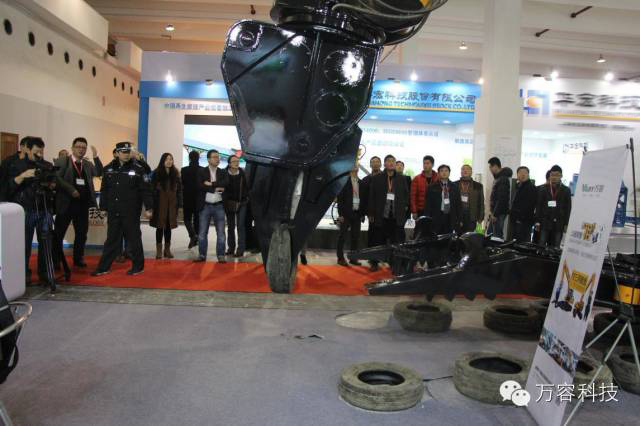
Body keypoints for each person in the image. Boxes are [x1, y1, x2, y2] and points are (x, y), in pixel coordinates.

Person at [6, 137, 74, 284]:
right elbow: (9, 186)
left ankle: (45, 274)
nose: (39, 155)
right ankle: (23, 275)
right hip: (25, 209)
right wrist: (23, 176)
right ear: (27, 150)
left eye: (42, 152)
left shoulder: (47, 165)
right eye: (36, 152)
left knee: (46, 244)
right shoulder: (16, 165)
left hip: (44, 208)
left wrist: (51, 184)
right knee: (24, 245)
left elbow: (54, 183)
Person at [91, 142, 153, 276]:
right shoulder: (108, 169)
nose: (126, 154)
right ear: (117, 153)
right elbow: (104, 190)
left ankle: (138, 266)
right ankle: (103, 267)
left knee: (134, 239)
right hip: (114, 210)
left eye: (128, 152)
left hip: (131, 211)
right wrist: (103, 208)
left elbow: (145, 190)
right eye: (123, 152)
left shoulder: (138, 169)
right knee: (111, 240)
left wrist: (149, 208)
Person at [54, 137, 104, 267]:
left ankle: (78, 258)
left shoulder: (87, 164)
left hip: (82, 205)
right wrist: (71, 190)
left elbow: (99, 172)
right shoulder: (63, 161)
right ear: (72, 148)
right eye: (78, 147)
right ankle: (56, 260)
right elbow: (57, 178)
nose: (81, 150)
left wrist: (96, 156)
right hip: (66, 204)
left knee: (81, 234)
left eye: (83, 147)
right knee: (59, 233)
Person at [367, 154, 409, 272]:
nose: (391, 163)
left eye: (393, 161)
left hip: (396, 216)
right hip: (381, 215)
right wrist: (371, 213)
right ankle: (374, 262)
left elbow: (406, 195)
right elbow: (372, 196)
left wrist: (405, 208)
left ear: (395, 164)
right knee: (377, 240)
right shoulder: (377, 178)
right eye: (388, 161)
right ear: (384, 164)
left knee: (396, 241)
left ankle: (394, 263)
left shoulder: (401, 178)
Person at [194, 149, 228, 263]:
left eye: (218, 157)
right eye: (215, 157)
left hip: (219, 206)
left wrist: (211, 184)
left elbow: (225, 184)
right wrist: (216, 188)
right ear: (208, 159)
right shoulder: (201, 171)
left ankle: (221, 255)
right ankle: (202, 255)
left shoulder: (223, 172)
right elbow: (199, 186)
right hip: (205, 206)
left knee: (221, 233)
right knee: (202, 233)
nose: (217, 159)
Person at [150, 153, 182, 259]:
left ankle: (167, 250)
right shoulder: (156, 173)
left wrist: (179, 204)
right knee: (159, 228)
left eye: (171, 159)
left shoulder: (176, 174)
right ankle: (159, 251)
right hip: (159, 206)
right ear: (162, 161)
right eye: (167, 159)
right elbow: (152, 190)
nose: (169, 161)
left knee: (168, 228)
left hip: (172, 206)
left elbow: (179, 191)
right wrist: (151, 205)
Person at [535, 165, 571, 248]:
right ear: (549, 176)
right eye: (552, 175)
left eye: (557, 175)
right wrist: (537, 221)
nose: (554, 177)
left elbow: (568, 208)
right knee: (541, 244)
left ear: (561, 176)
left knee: (556, 246)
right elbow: (539, 205)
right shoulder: (543, 188)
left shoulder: (566, 190)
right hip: (545, 222)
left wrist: (566, 223)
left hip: (559, 223)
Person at [336, 163, 363, 266]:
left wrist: (362, 213)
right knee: (342, 236)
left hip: (357, 213)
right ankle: (340, 258)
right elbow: (340, 199)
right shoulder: (344, 182)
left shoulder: (361, 182)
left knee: (355, 237)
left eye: (357, 165)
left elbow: (363, 198)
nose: (355, 167)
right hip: (345, 213)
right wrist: (340, 214)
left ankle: (353, 258)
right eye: (353, 165)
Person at [424, 164, 462, 235]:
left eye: (446, 171)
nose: (444, 172)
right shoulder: (432, 187)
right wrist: (427, 219)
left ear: (449, 173)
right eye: (441, 171)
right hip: (436, 217)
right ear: (438, 173)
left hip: (450, 217)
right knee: (436, 237)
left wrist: (460, 219)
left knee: (449, 237)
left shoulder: (455, 187)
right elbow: (428, 205)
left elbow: (458, 204)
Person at [224, 155, 249, 258]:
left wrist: (246, 198)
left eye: (238, 161)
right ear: (229, 164)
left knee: (240, 226)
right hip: (229, 203)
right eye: (234, 161)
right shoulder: (224, 173)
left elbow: (247, 187)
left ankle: (240, 249)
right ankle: (231, 248)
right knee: (230, 226)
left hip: (242, 203)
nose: (236, 163)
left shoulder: (243, 173)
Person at [360, 156, 382, 264]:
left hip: (384, 212)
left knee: (382, 234)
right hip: (371, 213)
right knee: (372, 234)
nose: (375, 164)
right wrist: (363, 213)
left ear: (380, 164)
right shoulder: (365, 180)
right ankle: (372, 257)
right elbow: (363, 198)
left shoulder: (386, 178)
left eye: (377, 162)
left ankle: (381, 256)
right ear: (370, 165)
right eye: (373, 162)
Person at [510, 166, 537, 242]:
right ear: (517, 175)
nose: (523, 174)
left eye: (525, 172)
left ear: (528, 174)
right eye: (520, 173)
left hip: (524, 221)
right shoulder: (519, 186)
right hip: (517, 219)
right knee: (516, 240)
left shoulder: (531, 187)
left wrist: (520, 218)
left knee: (522, 242)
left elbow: (529, 205)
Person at [181, 150, 202, 249]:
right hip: (199, 198)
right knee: (197, 220)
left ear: (189, 158)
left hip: (187, 197)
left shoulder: (184, 170)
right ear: (198, 158)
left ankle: (192, 236)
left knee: (187, 219)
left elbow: (183, 183)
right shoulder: (202, 170)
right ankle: (195, 237)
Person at [487, 157, 513, 239]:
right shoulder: (499, 178)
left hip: (499, 213)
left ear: (495, 166)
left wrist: (495, 214)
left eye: (490, 167)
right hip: (496, 212)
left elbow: (502, 199)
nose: (490, 169)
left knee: (497, 236)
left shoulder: (503, 179)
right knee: (491, 234)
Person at [453, 164, 484, 233]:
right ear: (461, 172)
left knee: (469, 236)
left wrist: (480, 217)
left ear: (471, 172)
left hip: (472, 215)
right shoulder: (454, 184)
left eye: (467, 169)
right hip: (458, 215)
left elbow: (481, 202)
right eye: (463, 169)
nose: (465, 170)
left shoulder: (478, 186)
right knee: (458, 235)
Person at [410, 155, 438, 220]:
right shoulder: (417, 178)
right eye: (424, 163)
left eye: (427, 163)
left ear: (432, 165)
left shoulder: (438, 178)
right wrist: (414, 211)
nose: (425, 165)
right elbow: (413, 196)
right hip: (421, 210)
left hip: (435, 210)